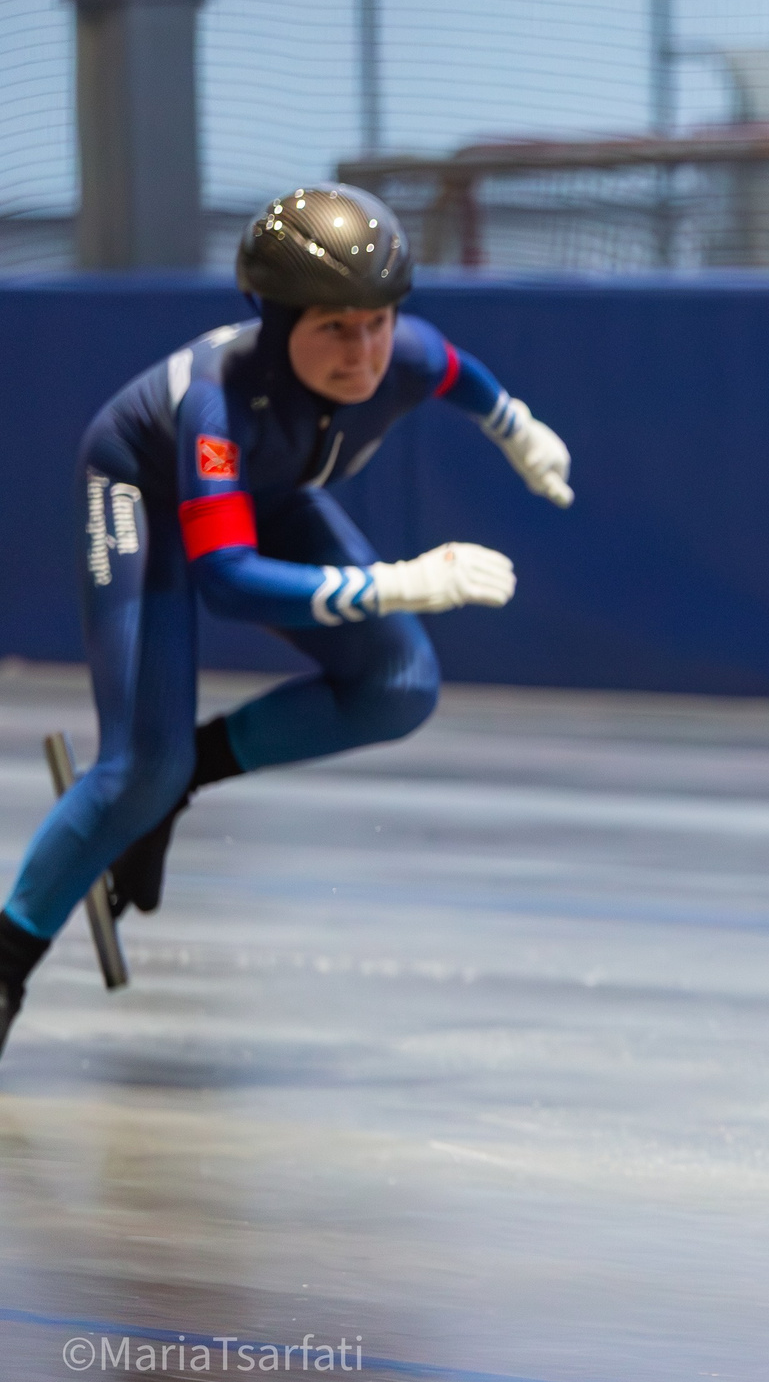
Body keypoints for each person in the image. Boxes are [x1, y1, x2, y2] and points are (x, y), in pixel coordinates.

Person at [0, 184, 574, 1058]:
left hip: (266, 494)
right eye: (336, 328)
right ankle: (9, 957)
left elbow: (456, 369)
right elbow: (226, 581)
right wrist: (395, 584)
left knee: (400, 686)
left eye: (378, 321)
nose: (365, 352)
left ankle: (180, 786)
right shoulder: (215, 407)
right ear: (274, 320)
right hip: (145, 493)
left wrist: (517, 428)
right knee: (139, 766)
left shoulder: (406, 353)